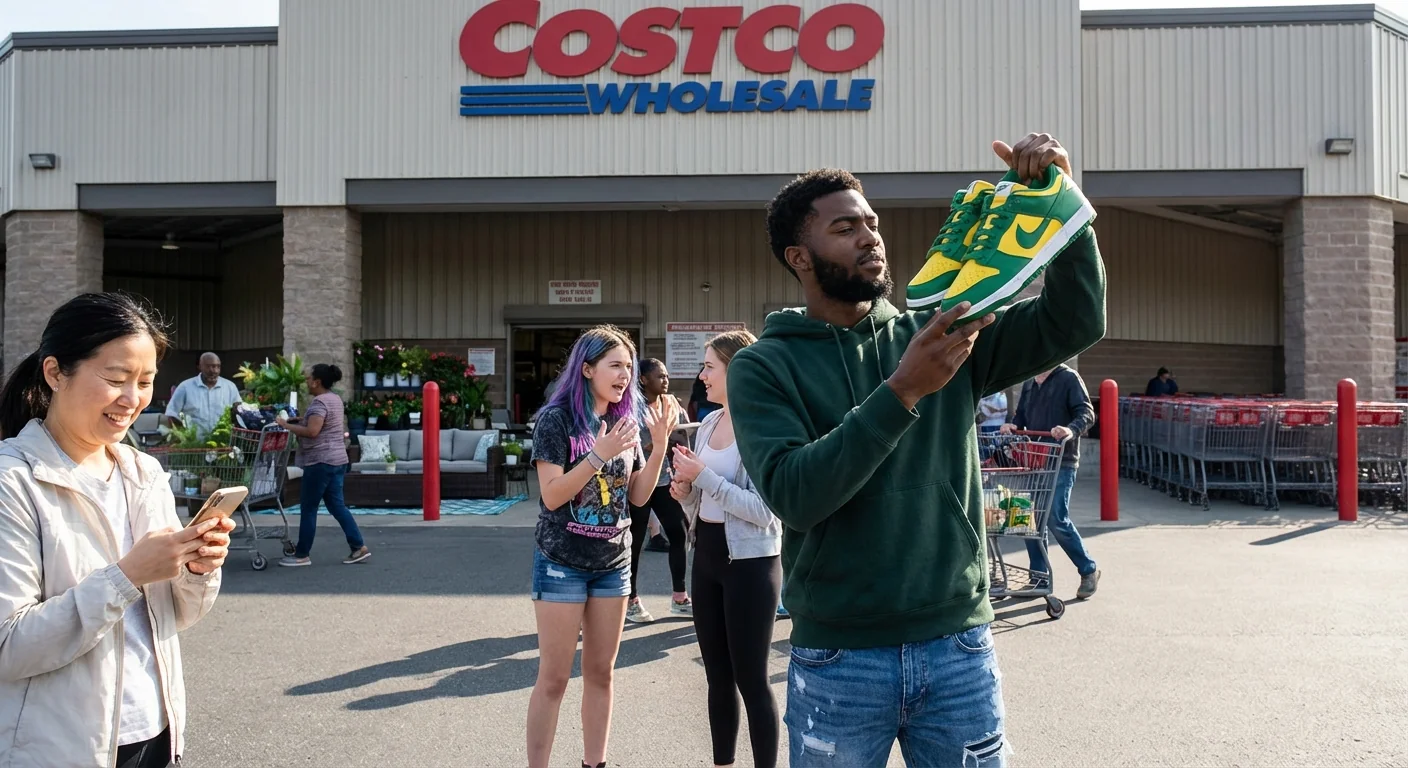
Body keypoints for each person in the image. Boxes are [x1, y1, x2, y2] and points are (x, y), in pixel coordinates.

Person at [727, 134, 1106, 766]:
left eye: (871, 223)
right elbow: (795, 494)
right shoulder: (765, 366)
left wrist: (1058, 204)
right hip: (838, 659)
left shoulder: (943, 330)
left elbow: (1073, 322)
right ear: (799, 255)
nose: (870, 237)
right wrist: (903, 390)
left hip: (956, 645)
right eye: (845, 228)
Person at [0, 293, 236, 767]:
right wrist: (126, 576)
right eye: (115, 379)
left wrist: (196, 569)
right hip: (59, 749)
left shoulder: (142, 472)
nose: (132, 400)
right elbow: (9, 646)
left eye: (146, 382)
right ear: (54, 373)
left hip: (156, 731)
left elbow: (173, 617)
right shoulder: (13, 480)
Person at [526, 325, 681, 768]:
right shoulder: (557, 421)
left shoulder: (623, 420)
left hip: (613, 563)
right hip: (561, 562)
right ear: (587, 368)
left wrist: (658, 448)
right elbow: (553, 495)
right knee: (554, 679)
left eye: (629, 368)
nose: (624, 375)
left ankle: (595, 764)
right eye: (615, 365)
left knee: (600, 673)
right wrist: (598, 453)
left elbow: (635, 497)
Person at [669, 330, 784, 768]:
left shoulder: (765, 425)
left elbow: (767, 511)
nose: (701, 376)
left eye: (709, 367)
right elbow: (704, 499)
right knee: (716, 676)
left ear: (738, 370)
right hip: (709, 556)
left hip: (752, 564)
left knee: (752, 679)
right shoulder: (710, 423)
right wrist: (685, 492)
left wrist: (704, 478)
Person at [1001, 364, 1100, 597]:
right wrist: (1014, 425)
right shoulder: (1029, 382)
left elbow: (1087, 413)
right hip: (1035, 459)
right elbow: (1022, 415)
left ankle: (1088, 570)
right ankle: (1038, 577)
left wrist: (1070, 429)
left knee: (1055, 517)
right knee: (1030, 520)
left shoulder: (1068, 378)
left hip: (1061, 459)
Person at [275, 364, 371, 567]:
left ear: (317, 382)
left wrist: (286, 425)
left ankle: (302, 555)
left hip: (320, 462)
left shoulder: (319, 402)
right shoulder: (334, 399)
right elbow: (322, 423)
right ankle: (358, 546)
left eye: (309, 378)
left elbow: (312, 432)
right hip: (337, 460)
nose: (306, 382)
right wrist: (302, 419)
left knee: (309, 508)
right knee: (337, 506)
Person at [626, 358, 692, 623]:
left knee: (679, 531)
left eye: (666, 376)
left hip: (665, 479)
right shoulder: (631, 407)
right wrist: (658, 440)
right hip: (638, 480)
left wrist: (679, 446)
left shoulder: (671, 403)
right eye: (660, 376)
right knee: (635, 538)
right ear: (643, 379)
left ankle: (680, 597)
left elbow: (685, 434)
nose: (665, 380)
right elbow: (633, 445)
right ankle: (631, 600)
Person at [163, 352, 242, 438]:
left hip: (223, 442)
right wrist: (184, 436)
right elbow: (172, 413)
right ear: (200, 367)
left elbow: (239, 413)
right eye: (209, 366)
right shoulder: (185, 387)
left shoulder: (230, 387)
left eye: (217, 366)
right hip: (194, 445)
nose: (213, 371)